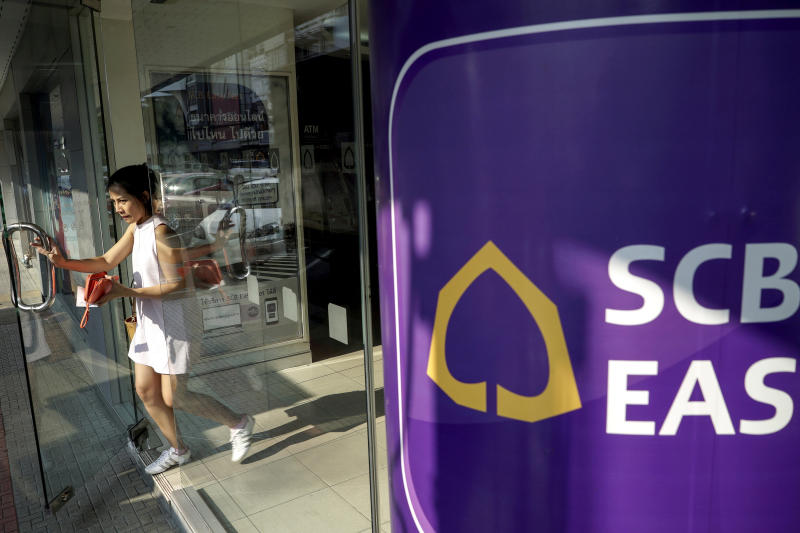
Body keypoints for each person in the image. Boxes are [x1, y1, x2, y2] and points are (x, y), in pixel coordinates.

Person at [32, 163, 254, 474]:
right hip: (152, 321)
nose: (117, 208)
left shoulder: (161, 232)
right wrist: (62, 262)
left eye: (122, 200)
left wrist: (125, 291)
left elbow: (176, 287)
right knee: (147, 391)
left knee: (175, 395)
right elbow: (107, 260)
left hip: (176, 323)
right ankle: (178, 449)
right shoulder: (137, 228)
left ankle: (239, 423)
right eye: (113, 202)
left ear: (144, 195)